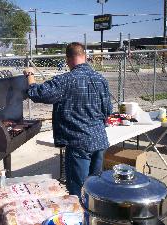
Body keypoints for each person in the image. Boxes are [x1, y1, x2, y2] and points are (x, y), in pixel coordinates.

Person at [23, 42, 112, 198]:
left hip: (78, 143)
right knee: (94, 188)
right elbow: (108, 111)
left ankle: (79, 218)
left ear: (68, 59)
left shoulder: (65, 80)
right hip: (99, 140)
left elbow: (37, 93)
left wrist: (30, 75)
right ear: (85, 57)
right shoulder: (101, 79)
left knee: (77, 193)